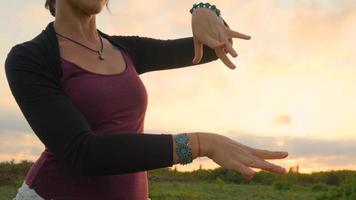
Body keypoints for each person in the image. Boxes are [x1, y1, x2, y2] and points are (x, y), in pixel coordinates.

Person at [5, 0, 288, 199]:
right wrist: (202, 144)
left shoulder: (126, 48)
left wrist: (204, 10)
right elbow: (83, 153)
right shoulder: (28, 58)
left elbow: (215, 48)